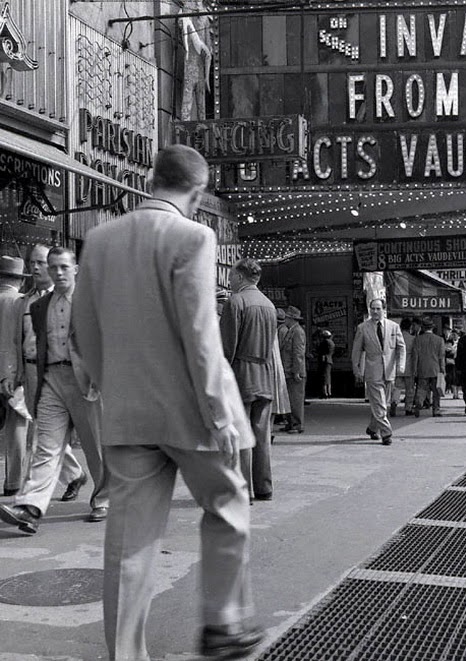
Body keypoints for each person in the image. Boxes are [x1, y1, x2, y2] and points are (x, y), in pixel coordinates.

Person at [71, 145, 263, 661]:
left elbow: (82, 330)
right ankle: (222, 623)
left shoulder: (99, 239)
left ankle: (126, 655)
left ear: (153, 179)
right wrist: (219, 413)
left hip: (128, 414)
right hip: (193, 416)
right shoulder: (193, 237)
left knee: (128, 545)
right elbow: (201, 334)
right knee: (227, 506)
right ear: (196, 193)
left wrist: (114, 385)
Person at [0, 248, 109, 535]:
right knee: (45, 447)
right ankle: (31, 507)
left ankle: (103, 499)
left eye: (63, 267)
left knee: (95, 447)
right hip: (51, 380)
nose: (57, 272)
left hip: (86, 381)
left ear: (76, 269)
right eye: (53, 267)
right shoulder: (38, 306)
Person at [0, 245, 85, 501]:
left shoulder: (73, 299)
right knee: (44, 432)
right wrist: (10, 374)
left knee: (46, 434)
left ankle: (34, 495)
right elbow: (15, 341)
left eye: (40, 262)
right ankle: (67, 479)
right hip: (31, 373)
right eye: (32, 263)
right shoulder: (23, 302)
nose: (36, 267)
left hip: (64, 374)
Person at [221, 257, 278, 501]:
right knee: (262, 436)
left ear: (241, 277)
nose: (229, 280)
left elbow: (227, 346)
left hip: (241, 376)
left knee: (241, 436)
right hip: (265, 375)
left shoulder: (236, 302)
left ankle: (243, 489)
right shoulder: (269, 305)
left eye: (232, 276)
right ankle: (264, 487)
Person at [352, 299, 405, 444]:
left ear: (383, 309)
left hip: (389, 371)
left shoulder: (393, 327)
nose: (375, 311)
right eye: (372, 309)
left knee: (382, 403)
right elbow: (356, 350)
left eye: (378, 309)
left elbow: (401, 347)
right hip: (372, 371)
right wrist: (356, 368)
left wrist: (400, 365)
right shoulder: (363, 328)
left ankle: (372, 428)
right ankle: (386, 433)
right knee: (380, 403)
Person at [0, 256, 30, 496]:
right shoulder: (21, 302)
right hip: (15, 372)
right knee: (17, 426)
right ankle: (13, 482)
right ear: (19, 280)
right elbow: (18, 341)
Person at [279, 305, 307, 433]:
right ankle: (291, 423)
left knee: (296, 399)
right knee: (289, 399)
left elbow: (298, 353)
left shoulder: (298, 332)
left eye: (287, 317)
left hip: (294, 372)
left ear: (292, 318)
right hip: (288, 370)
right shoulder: (292, 330)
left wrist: (297, 371)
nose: (285, 319)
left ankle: (297, 425)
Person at [411, 317, 446, 418]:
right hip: (436, 368)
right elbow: (441, 356)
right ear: (432, 328)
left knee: (421, 388)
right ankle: (436, 410)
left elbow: (415, 356)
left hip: (422, 368)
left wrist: (414, 370)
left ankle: (419, 403)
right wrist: (443, 370)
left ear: (423, 328)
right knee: (436, 391)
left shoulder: (418, 339)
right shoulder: (439, 340)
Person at [390, 318, 415, 416]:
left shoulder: (396, 337)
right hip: (409, 366)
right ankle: (408, 408)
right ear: (410, 327)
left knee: (397, 387)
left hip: (397, 366)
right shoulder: (412, 339)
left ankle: (394, 402)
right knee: (410, 389)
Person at [316, 329, 335, 399]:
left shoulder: (324, 342)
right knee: (328, 377)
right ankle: (329, 392)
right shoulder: (332, 342)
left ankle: (324, 393)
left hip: (324, 361)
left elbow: (320, 350)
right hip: (329, 360)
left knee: (323, 377)